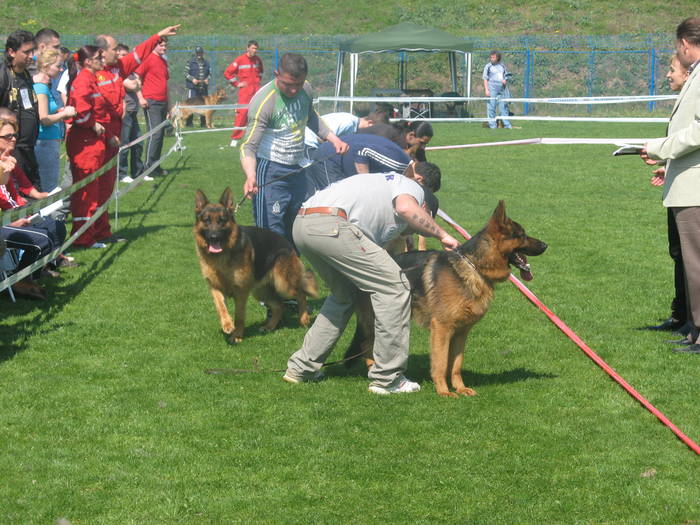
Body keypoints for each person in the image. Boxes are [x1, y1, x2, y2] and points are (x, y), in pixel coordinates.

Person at [283, 172, 459, 393]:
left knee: (344, 295)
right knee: (395, 287)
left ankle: (302, 368)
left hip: (303, 225)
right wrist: (442, 234)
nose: (412, 231)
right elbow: (406, 208)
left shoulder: (384, 191)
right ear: (425, 206)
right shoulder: (410, 189)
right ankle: (388, 378)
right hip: (333, 225)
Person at [239, 52, 348, 242]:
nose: (293, 91)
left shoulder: (306, 90)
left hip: (297, 169)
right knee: (271, 234)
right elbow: (248, 146)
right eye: (288, 85)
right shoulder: (264, 101)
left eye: (298, 84)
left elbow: (311, 117)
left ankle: (292, 269)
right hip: (270, 170)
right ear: (276, 74)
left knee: (296, 228)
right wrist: (250, 176)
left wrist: (334, 139)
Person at [640, 17, 700, 353]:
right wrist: (668, 162)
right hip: (686, 181)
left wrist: (659, 148)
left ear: (685, 44)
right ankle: (693, 329)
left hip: (696, 188)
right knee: (690, 264)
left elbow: (698, 131)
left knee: (696, 264)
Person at [0, 114, 67, 299]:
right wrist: (14, 219)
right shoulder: (3, 164)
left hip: (12, 215)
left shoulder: (9, 160)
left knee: (56, 225)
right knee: (41, 240)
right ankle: (16, 281)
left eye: (14, 135)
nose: (13, 139)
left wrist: (35, 202)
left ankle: (33, 275)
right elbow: (5, 199)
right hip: (5, 221)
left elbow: (14, 193)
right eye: (7, 136)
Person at [646, 53, 690, 332]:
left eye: (672, 69)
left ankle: (688, 320)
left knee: (688, 257)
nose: (667, 74)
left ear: (686, 73)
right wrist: (668, 167)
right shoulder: (686, 95)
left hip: (691, 191)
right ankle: (681, 315)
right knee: (679, 254)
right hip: (679, 184)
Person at [65, 45, 108, 249]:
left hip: (92, 144)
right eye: (99, 57)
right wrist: (94, 124)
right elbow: (81, 113)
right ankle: (83, 237)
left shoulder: (91, 79)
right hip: (85, 144)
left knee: (92, 190)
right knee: (86, 192)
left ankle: (88, 234)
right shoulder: (83, 81)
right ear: (88, 61)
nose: (103, 59)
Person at [304, 132, 412, 198]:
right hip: (330, 159)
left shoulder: (402, 164)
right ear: (418, 178)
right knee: (336, 204)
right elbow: (361, 151)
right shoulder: (398, 165)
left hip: (339, 164)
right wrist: (365, 184)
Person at [0, 30, 40, 188]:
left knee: (32, 192)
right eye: (26, 52)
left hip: (28, 149)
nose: (31, 56)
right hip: (10, 151)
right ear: (11, 52)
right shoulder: (3, 77)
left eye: (32, 51)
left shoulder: (26, 75)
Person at [32, 48, 75, 192]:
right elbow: (43, 118)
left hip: (48, 142)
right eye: (58, 65)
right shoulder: (41, 88)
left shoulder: (45, 86)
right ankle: (48, 215)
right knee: (48, 188)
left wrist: (58, 111)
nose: (61, 68)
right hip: (45, 142)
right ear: (45, 66)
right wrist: (64, 113)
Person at [136, 36, 170, 177]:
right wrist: (140, 97)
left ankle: (155, 166)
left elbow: (165, 84)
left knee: (160, 134)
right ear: (155, 46)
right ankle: (148, 168)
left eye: (165, 45)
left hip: (163, 102)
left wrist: (169, 105)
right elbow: (137, 77)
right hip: (151, 102)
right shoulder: (148, 59)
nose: (164, 48)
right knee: (154, 134)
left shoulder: (163, 61)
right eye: (161, 45)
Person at [116, 44, 146, 184]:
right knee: (125, 143)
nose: (123, 57)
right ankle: (121, 173)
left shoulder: (130, 72)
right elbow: (134, 85)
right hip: (125, 112)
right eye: (121, 54)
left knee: (138, 142)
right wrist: (137, 82)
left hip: (134, 111)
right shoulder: (118, 72)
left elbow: (138, 86)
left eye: (125, 55)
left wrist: (139, 93)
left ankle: (138, 171)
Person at [224, 40, 263, 147]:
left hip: (256, 90)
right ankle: (235, 139)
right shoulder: (240, 60)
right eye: (253, 48)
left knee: (259, 113)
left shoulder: (258, 60)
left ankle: (256, 138)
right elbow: (227, 73)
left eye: (256, 48)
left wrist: (257, 82)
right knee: (242, 114)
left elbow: (260, 72)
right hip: (245, 92)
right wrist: (236, 84)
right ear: (247, 48)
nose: (255, 50)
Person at [482, 51, 512, 129]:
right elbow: (485, 79)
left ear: (497, 58)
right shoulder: (488, 66)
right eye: (491, 57)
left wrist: (505, 80)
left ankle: (507, 125)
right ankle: (492, 126)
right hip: (492, 90)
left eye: (493, 57)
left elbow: (506, 76)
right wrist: (486, 90)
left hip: (502, 90)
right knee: (491, 107)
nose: (491, 59)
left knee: (503, 108)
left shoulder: (502, 66)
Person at [185, 46, 210, 128]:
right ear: (196, 53)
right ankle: (189, 123)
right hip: (193, 88)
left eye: (200, 53)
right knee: (190, 104)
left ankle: (203, 123)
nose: (199, 54)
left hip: (203, 88)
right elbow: (185, 73)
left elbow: (210, 74)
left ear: (202, 53)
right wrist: (192, 79)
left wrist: (207, 79)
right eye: (197, 53)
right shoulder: (190, 62)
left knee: (204, 105)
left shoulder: (207, 63)